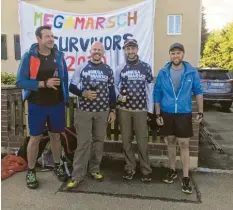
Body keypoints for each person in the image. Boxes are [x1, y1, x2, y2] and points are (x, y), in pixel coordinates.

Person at [16, 25, 69, 189]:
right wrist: (44, 84)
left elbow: (65, 79)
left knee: (56, 137)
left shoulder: (59, 56)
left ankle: (57, 165)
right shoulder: (29, 57)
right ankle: (31, 171)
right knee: (35, 139)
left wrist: (65, 97)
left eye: (52, 36)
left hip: (56, 105)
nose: (51, 39)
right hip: (37, 105)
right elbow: (20, 82)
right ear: (39, 39)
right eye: (47, 36)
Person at [154, 43, 203, 194]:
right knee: (170, 141)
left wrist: (200, 111)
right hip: (167, 112)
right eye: (173, 53)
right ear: (170, 55)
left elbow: (198, 92)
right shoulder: (163, 72)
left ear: (183, 54)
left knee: (184, 144)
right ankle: (171, 169)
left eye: (178, 53)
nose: (176, 56)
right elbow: (157, 94)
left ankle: (186, 177)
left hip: (184, 113)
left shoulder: (191, 72)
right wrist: (157, 114)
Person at [66, 41, 116, 189]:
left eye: (99, 50)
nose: (97, 52)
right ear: (90, 51)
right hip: (84, 111)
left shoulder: (108, 69)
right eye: (95, 49)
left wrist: (112, 109)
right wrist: (83, 93)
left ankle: (94, 169)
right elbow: (72, 87)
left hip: (102, 111)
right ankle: (77, 175)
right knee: (83, 143)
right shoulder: (81, 67)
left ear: (103, 52)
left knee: (99, 141)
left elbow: (112, 91)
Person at [115, 39, 154, 182]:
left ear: (137, 49)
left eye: (132, 48)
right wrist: (119, 95)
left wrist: (149, 109)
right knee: (126, 140)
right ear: (125, 51)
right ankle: (130, 168)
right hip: (124, 109)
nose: (130, 51)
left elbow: (150, 88)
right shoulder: (121, 68)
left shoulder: (146, 67)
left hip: (140, 110)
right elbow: (114, 85)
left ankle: (146, 169)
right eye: (127, 49)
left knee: (142, 141)